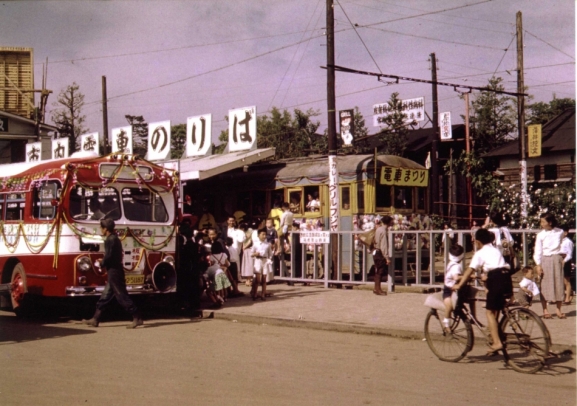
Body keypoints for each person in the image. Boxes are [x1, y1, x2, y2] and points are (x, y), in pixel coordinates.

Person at [453, 228, 512, 355]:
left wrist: (460, 285)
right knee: (495, 309)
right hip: (506, 276)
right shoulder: (495, 250)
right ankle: (494, 336)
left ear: (478, 242)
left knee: (489, 312)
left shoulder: (480, 253)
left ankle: (497, 343)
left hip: (496, 278)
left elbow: (470, 270)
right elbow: (494, 266)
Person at [83, 219, 143, 328]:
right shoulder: (114, 239)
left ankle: (137, 317)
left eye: (101, 228)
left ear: (105, 229)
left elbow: (109, 256)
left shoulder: (110, 240)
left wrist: (102, 263)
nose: (101, 230)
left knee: (121, 296)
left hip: (114, 272)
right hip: (115, 270)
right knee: (105, 296)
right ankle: (95, 319)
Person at [534, 213, 566, 319]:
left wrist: (562, 256)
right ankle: (545, 309)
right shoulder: (540, 235)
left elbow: (562, 244)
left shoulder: (560, 232)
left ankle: (558, 309)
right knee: (544, 285)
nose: (541, 224)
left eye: (543, 221)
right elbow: (538, 250)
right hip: (545, 259)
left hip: (556, 259)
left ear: (550, 222)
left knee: (559, 283)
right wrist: (538, 264)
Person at [442, 244, 468, 332]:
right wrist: (467, 276)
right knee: (449, 306)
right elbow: (456, 277)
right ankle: (446, 323)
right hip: (448, 290)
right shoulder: (456, 266)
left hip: (454, 288)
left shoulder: (451, 263)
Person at [372, 215, 393, 296]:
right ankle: (378, 289)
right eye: (391, 221)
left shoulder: (378, 229)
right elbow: (383, 246)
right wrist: (387, 257)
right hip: (380, 252)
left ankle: (376, 288)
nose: (392, 222)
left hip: (375, 251)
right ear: (388, 222)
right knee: (380, 271)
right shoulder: (384, 231)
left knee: (377, 270)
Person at [251, 228, 273, 300]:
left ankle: (263, 294)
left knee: (264, 279)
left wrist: (269, 259)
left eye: (265, 234)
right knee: (257, 279)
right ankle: (255, 293)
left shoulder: (268, 245)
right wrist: (255, 254)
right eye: (262, 234)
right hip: (258, 260)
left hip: (265, 261)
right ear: (258, 235)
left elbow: (270, 254)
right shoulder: (255, 244)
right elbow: (251, 254)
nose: (264, 236)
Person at [560, 224, 574, 305]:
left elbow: (569, 254)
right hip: (559, 260)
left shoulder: (568, 242)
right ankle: (560, 297)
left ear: (565, 232)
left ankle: (567, 298)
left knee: (566, 281)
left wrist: (564, 261)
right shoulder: (558, 241)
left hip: (565, 261)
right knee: (560, 280)